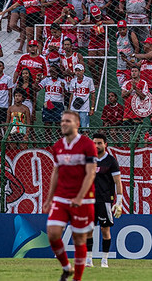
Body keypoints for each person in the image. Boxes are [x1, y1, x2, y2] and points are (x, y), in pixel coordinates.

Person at [43, 111, 96, 281]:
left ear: (77, 124)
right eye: (62, 121)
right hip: (61, 197)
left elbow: (91, 173)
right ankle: (67, 267)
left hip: (83, 198)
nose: (63, 123)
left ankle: (77, 278)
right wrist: (49, 198)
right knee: (52, 233)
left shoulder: (87, 145)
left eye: (68, 121)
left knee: (79, 238)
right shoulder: (58, 145)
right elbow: (55, 173)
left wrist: (80, 197)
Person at [68, 64, 96, 129]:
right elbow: (71, 95)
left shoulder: (89, 80)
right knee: (73, 127)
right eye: (76, 70)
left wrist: (92, 108)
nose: (78, 72)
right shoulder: (73, 81)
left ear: (83, 71)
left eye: (79, 70)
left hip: (84, 107)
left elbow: (93, 94)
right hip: (74, 107)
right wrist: (69, 107)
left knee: (84, 127)